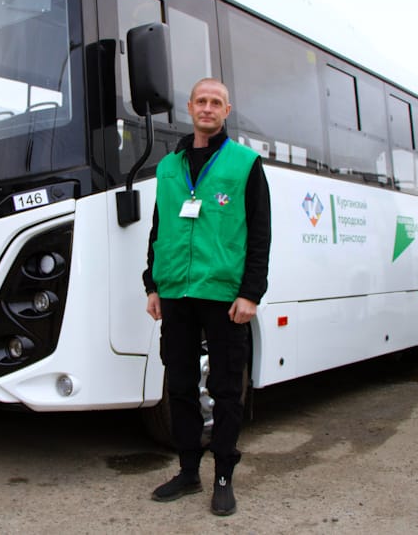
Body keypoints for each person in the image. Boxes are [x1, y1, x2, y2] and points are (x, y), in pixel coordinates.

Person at [142, 77, 271, 516]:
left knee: (225, 388)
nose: (208, 108)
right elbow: (159, 229)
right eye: (202, 101)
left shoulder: (245, 163)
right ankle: (187, 472)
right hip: (176, 293)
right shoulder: (168, 166)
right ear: (190, 107)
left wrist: (251, 293)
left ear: (226, 111)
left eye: (217, 102)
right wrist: (152, 284)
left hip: (223, 296)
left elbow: (260, 233)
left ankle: (223, 478)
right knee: (179, 386)